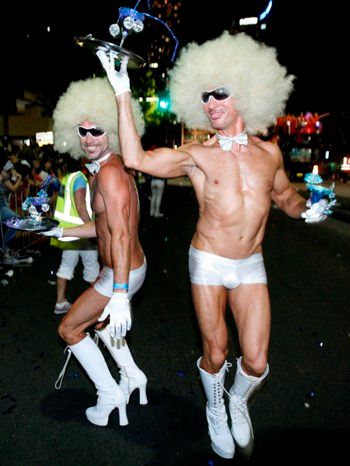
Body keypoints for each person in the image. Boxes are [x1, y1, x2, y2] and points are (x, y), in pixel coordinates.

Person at [96, 32, 334, 458]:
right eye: (204, 96)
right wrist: (122, 93)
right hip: (207, 261)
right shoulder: (198, 155)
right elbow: (137, 160)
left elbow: (285, 197)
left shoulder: (270, 153)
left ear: (245, 92)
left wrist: (307, 209)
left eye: (219, 92)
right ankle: (216, 406)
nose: (210, 102)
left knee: (256, 361)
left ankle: (238, 398)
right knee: (216, 351)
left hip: (250, 264)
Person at [41, 76, 148, 426]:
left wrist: (118, 293)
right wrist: (61, 229)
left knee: (70, 329)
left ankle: (110, 394)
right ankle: (132, 375)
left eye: (97, 131)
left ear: (113, 132)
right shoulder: (100, 172)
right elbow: (101, 227)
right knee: (100, 323)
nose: (89, 139)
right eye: (83, 131)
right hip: (125, 267)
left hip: (120, 270)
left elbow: (118, 236)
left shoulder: (111, 176)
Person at [49, 155, 100, 315]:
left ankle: (60, 302)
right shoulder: (79, 178)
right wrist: (91, 228)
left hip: (69, 233)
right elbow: (80, 206)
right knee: (92, 268)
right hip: (81, 232)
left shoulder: (67, 178)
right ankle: (97, 305)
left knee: (66, 266)